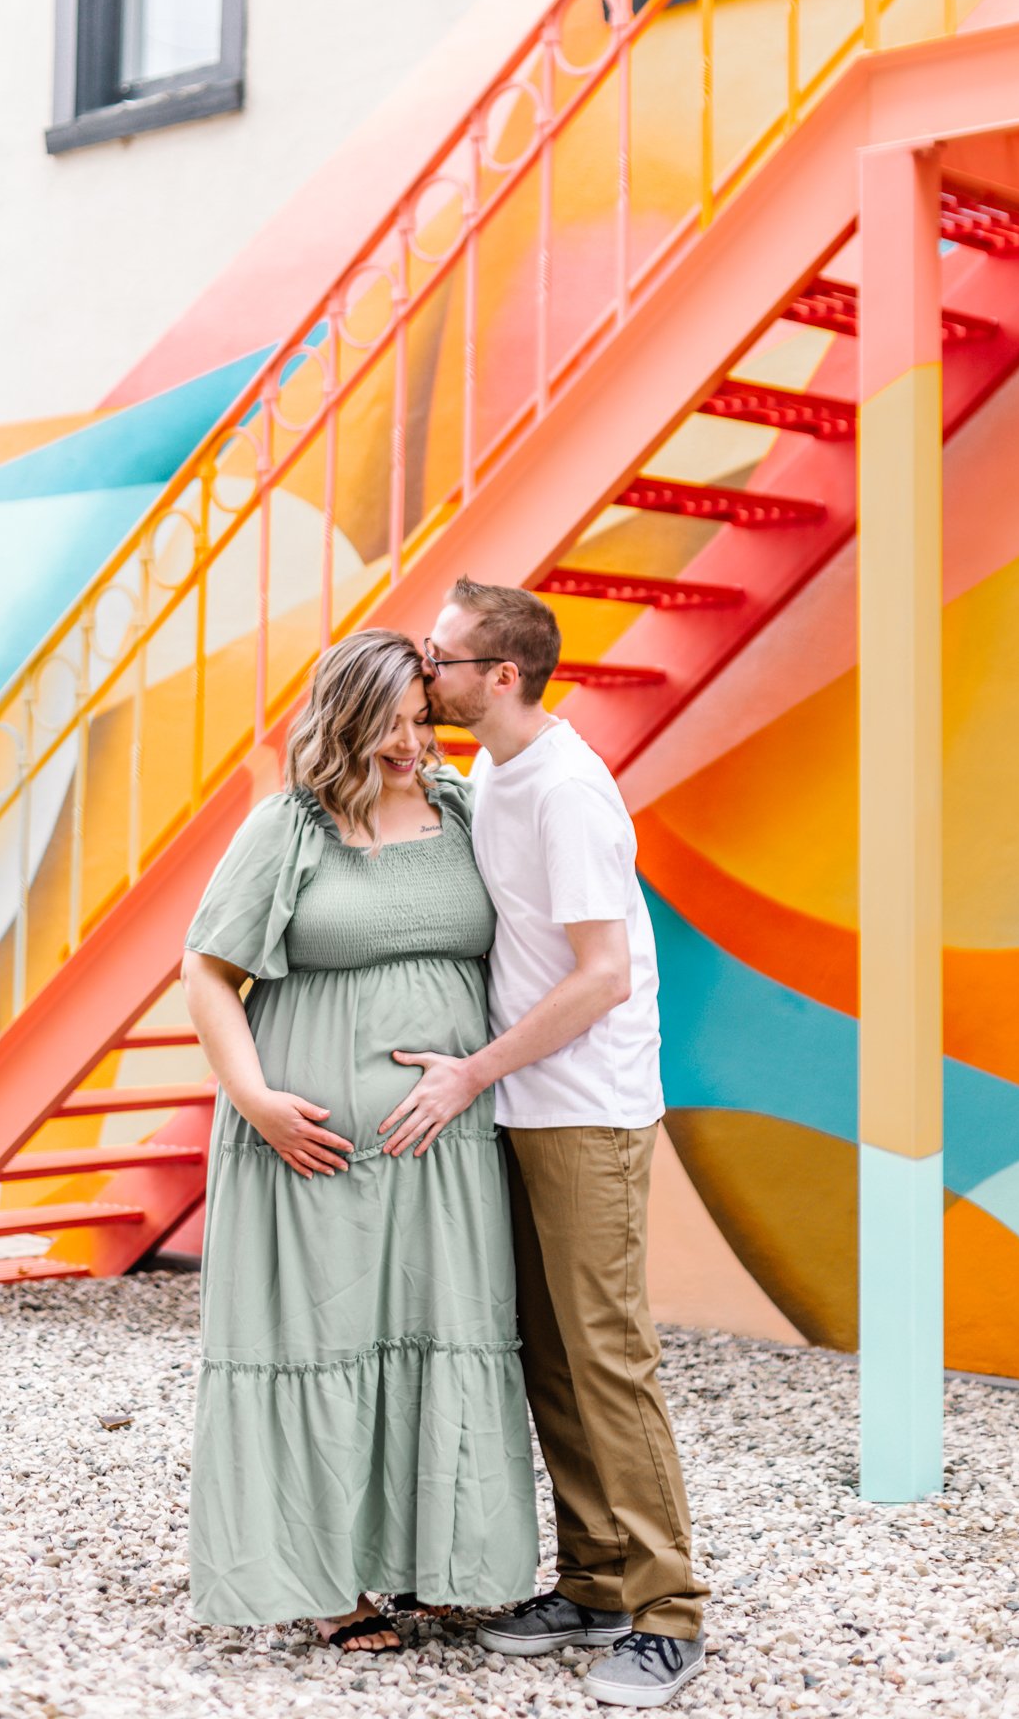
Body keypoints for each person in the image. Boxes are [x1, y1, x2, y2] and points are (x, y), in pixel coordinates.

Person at [383, 576, 709, 1709]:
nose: (425, 671)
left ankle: (669, 1611)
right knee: (551, 1356)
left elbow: (603, 974)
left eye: (440, 656)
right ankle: (594, 1580)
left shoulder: (567, 789)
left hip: (585, 1106)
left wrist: (473, 1069)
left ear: (498, 675)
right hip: (524, 1104)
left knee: (608, 1358)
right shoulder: (495, 774)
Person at [180, 628, 538, 1653]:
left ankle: (434, 1559)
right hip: (311, 1142)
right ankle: (328, 1582)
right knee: (320, 1343)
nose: (408, 741)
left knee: (441, 1333)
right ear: (341, 715)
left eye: (420, 718)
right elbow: (207, 971)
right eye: (385, 721)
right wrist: (254, 1099)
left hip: (447, 1142)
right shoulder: (289, 826)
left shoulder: (468, 811)